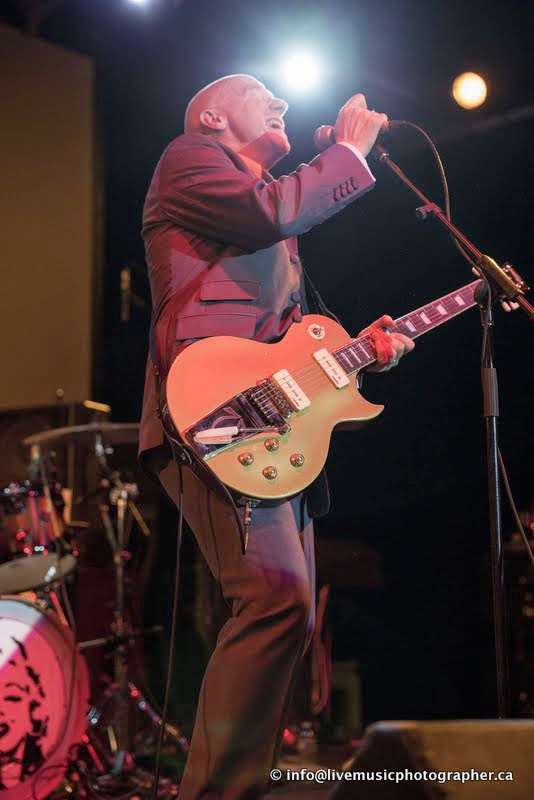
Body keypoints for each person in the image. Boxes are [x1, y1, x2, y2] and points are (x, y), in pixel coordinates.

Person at [140, 73, 414, 799]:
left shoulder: (264, 213)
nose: (283, 103)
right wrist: (348, 155)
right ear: (211, 116)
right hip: (214, 415)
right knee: (275, 599)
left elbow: (284, 341)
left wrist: (357, 351)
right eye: (262, 92)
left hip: (271, 426)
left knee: (288, 612)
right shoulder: (190, 159)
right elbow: (275, 211)